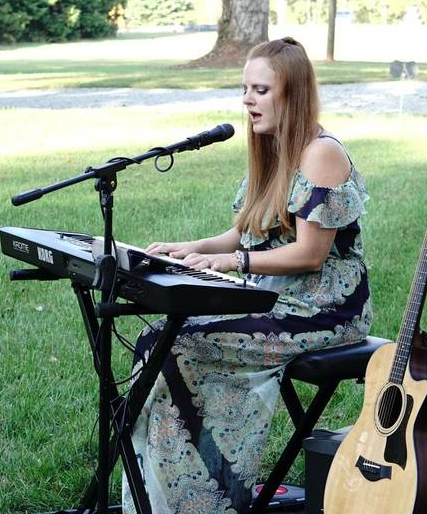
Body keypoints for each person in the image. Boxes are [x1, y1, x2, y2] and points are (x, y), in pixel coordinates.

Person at [123, 37, 371, 514]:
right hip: (272, 299)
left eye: (260, 90)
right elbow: (244, 234)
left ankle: (208, 493)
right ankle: (167, 494)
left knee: (173, 344)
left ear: (292, 94)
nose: (247, 100)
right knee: (158, 341)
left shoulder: (321, 154)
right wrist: (194, 248)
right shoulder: (274, 150)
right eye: (245, 89)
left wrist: (233, 264)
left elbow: (310, 254)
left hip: (322, 312)